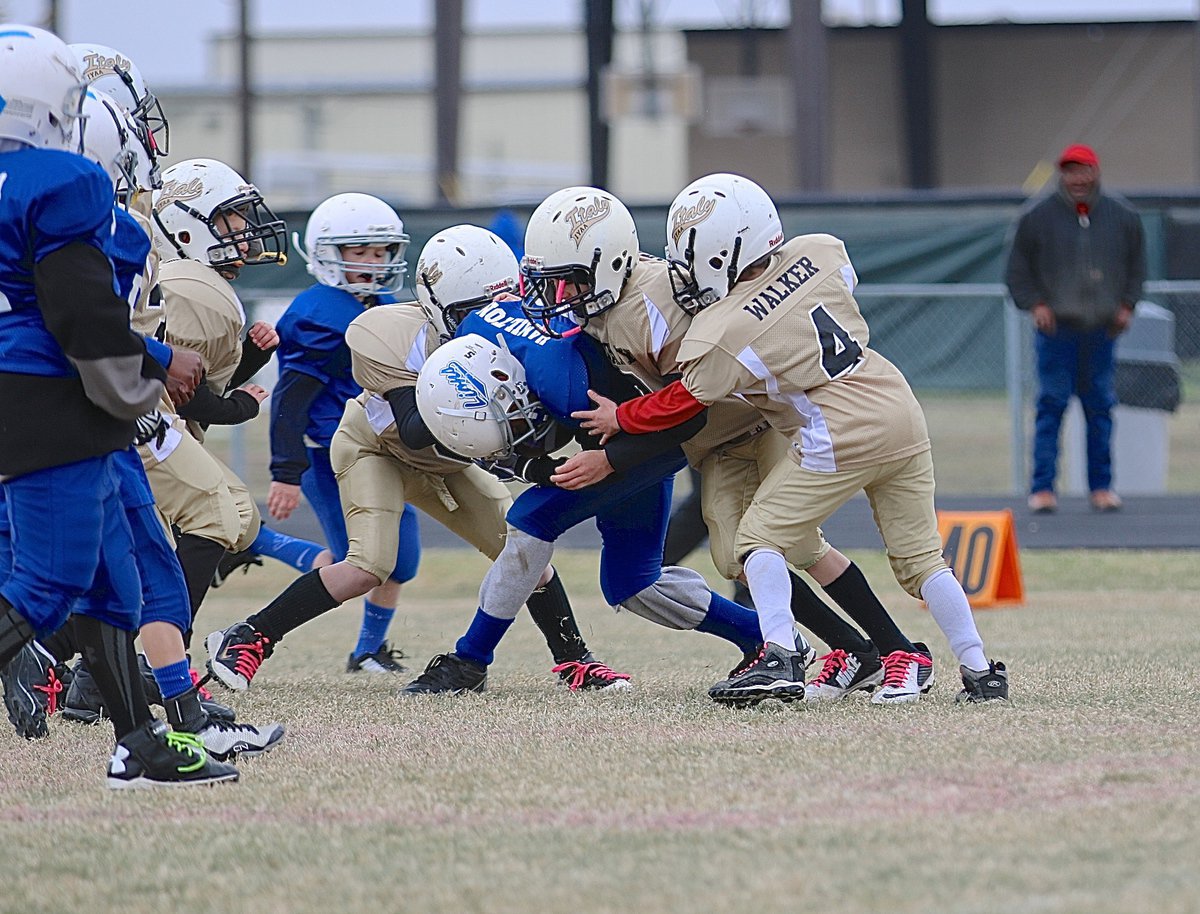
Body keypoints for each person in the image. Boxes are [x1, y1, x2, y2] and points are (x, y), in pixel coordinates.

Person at [573, 173, 1010, 704]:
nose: (684, 273)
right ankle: (980, 671)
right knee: (922, 560)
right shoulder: (819, 250)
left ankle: (781, 658)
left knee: (757, 540)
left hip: (836, 427)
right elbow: (835, 286)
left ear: (724, 253)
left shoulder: (726, 327)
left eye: (692, 260)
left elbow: (685, 399)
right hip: (896, 403)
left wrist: (622, 418)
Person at [204, 235, 622, 694]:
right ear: (437, 304)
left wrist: (542, 455)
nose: (487, 323)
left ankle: (575, 661)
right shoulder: (387, 332)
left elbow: (501, 439)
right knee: (367, 567)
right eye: (473, 312)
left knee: (526, 552)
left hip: (450, 458)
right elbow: (416, 429)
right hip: (375, 449)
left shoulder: (516, 340)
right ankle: (250, 636)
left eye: (500, 309)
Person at [0, 23, 236, 785]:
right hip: (48, 394)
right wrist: (153, 369)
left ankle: (139, 742)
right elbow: (81, 313)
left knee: (111, 587)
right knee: (49, 581)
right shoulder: (64, 183)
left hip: (35, 389)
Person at [401, 225, 779, 698]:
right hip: (628, 437)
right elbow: (510, 441)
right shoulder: (491, 337)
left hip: (651, 440)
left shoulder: (561, 384)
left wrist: (611, 460)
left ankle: (468, 661)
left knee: (531, 520)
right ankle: (769, 641)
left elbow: (678, 427)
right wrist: (550, 462)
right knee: (635, 585)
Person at [265, 192, 420, 674]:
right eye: (360, 251)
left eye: (380, 251)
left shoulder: (384, 304)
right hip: (332, 455)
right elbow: (290, 401)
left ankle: (368, 649)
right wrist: (286, 472)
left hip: (387, 450)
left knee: (402, 562)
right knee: (361, 562)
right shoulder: (317, 314)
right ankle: (261, 544)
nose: (373, 262)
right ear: (328, 253)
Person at [1006, 143, 1145, 514]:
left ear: (1095, 172)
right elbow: (1017, 271)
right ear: (1061, 175)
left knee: (1100, 408)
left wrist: (1128, 304)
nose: (1077, 178)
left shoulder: (1122, 216)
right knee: (1051, 406)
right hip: (1057, 332)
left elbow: (1137, 267)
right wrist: (1035, 304)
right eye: (1070, 171)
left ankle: (1101, 487)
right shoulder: (1036, 218)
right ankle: (1042, 489)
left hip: (1102, 331)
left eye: (1083, 170)